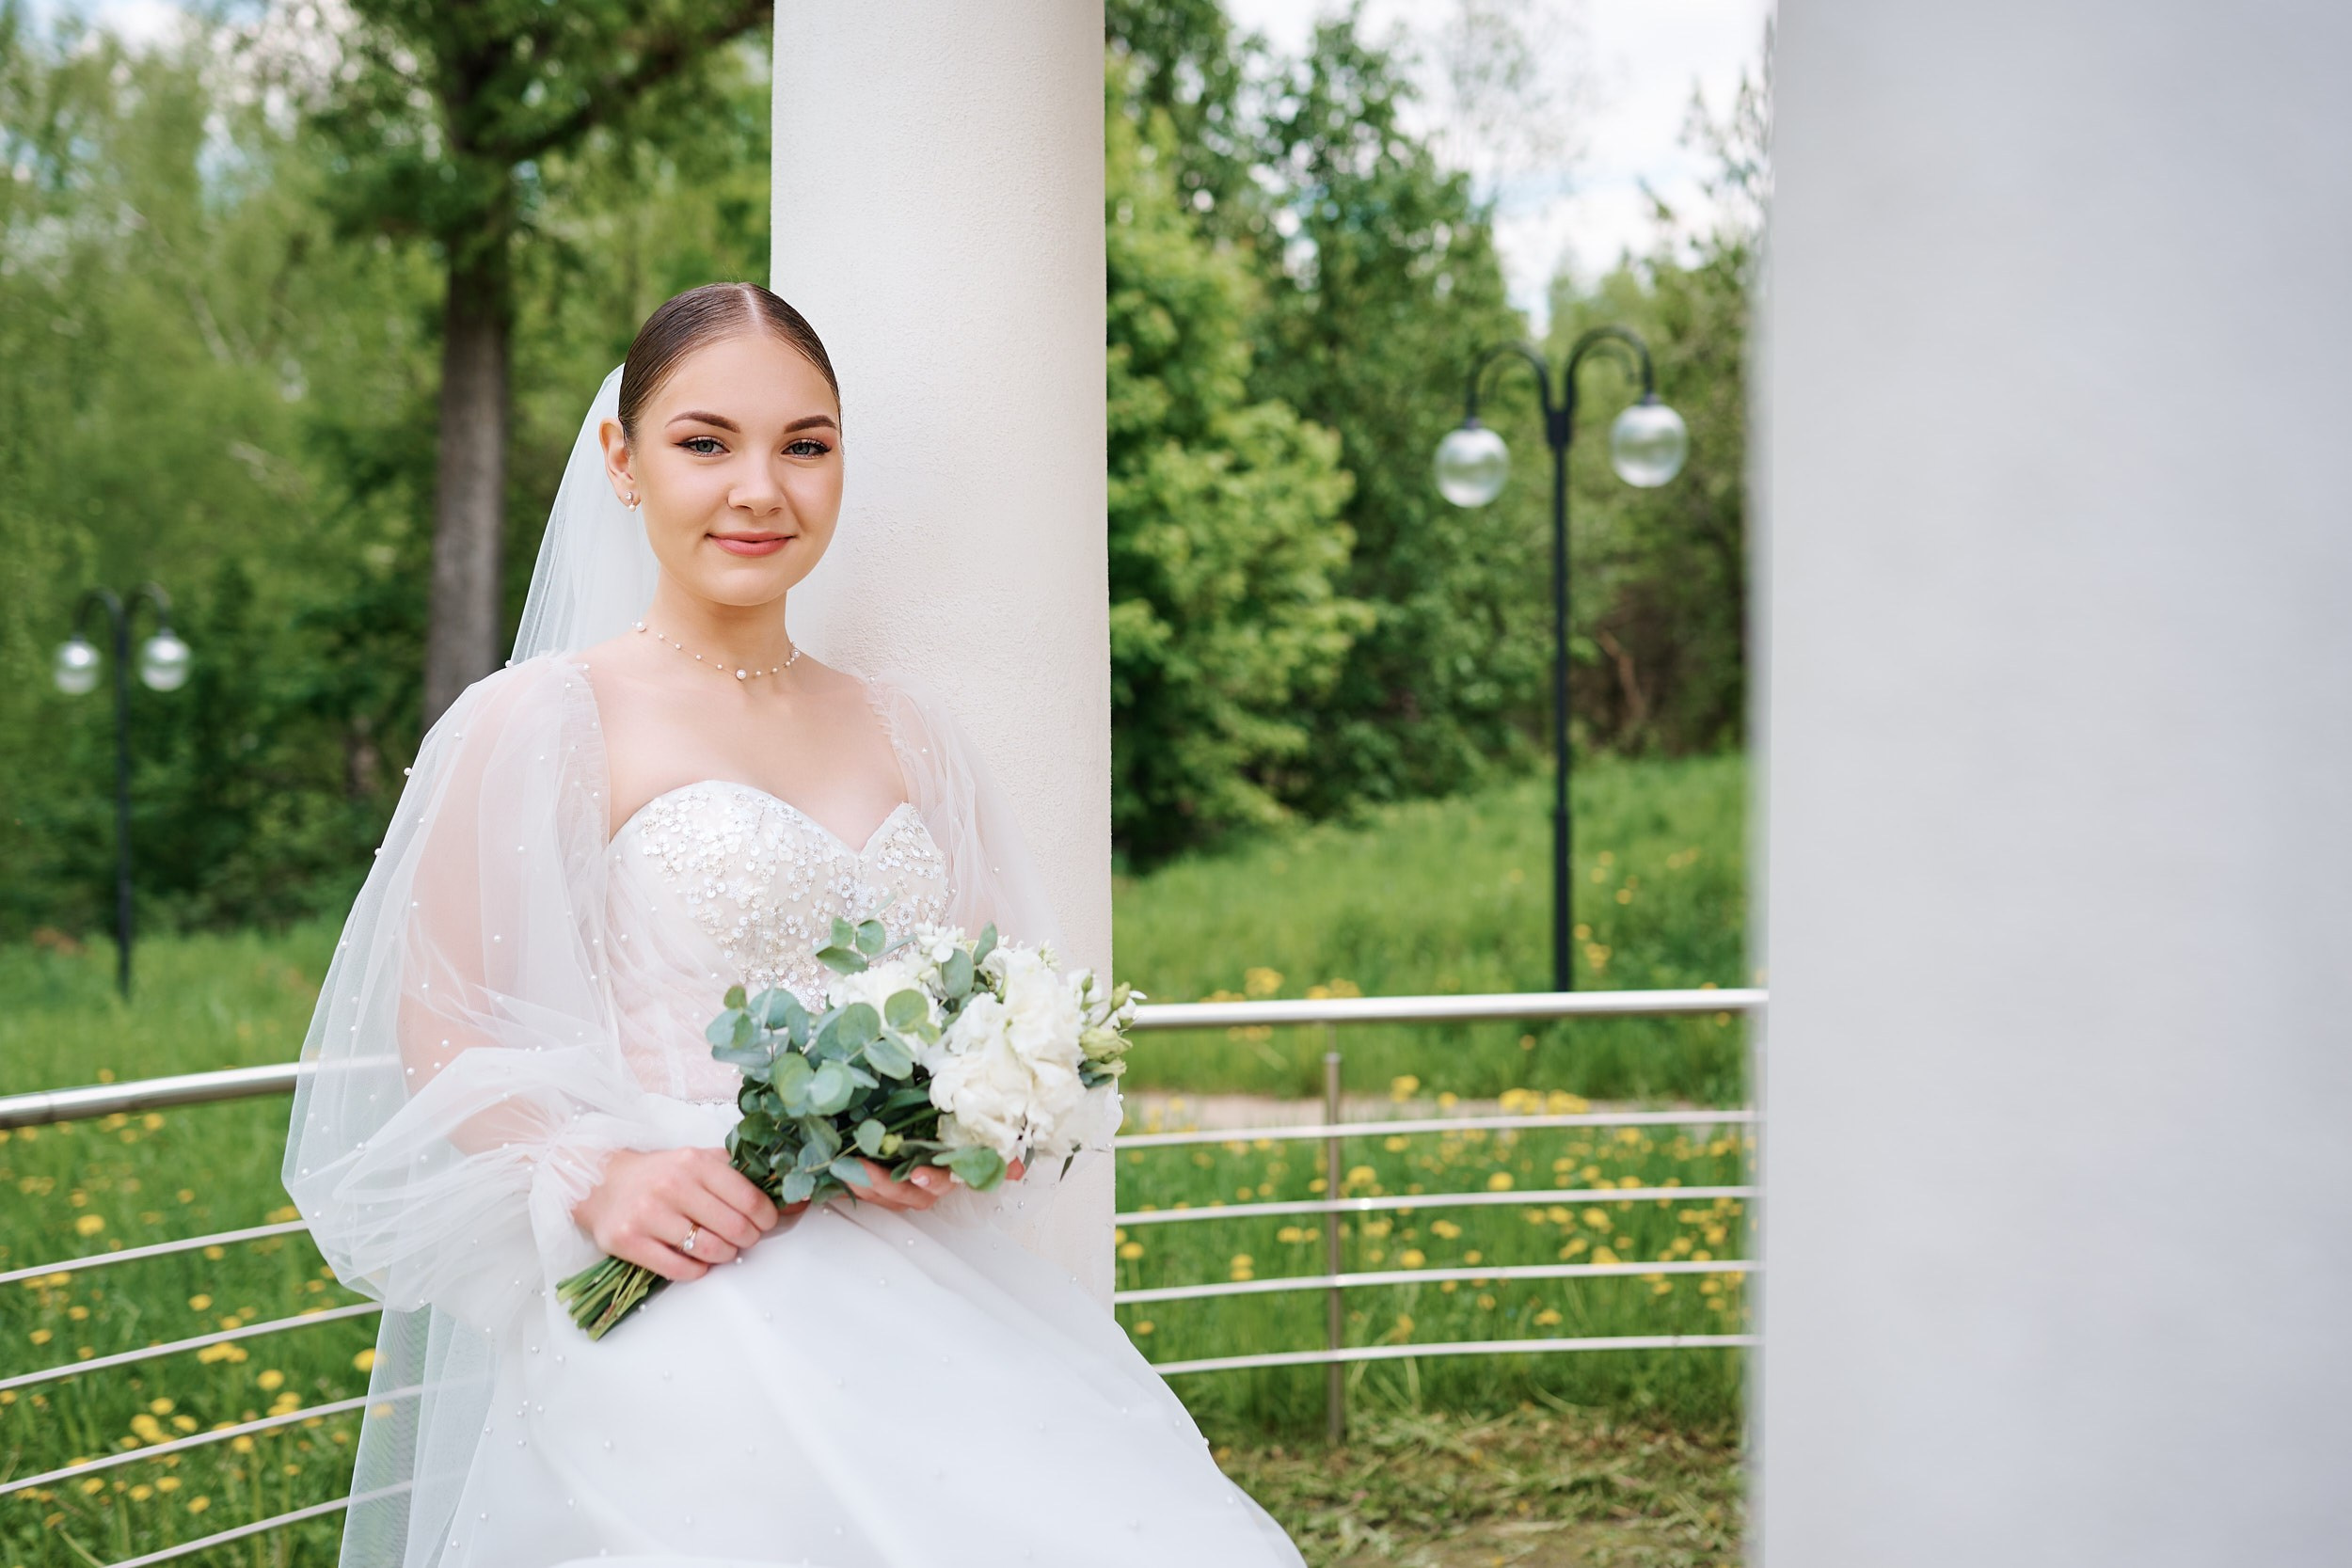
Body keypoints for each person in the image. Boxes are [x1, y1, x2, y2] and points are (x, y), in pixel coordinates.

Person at [282, 281, 1307, 1567]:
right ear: (622, 459)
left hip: (912, 1260)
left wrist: (957, 1132)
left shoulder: (904, 727)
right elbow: (441, 1017)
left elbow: (970, 997)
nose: (760, 489)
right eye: (706, 442)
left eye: (804, 446)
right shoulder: (539, 719)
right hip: (690, 1267)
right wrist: (595, 1173)